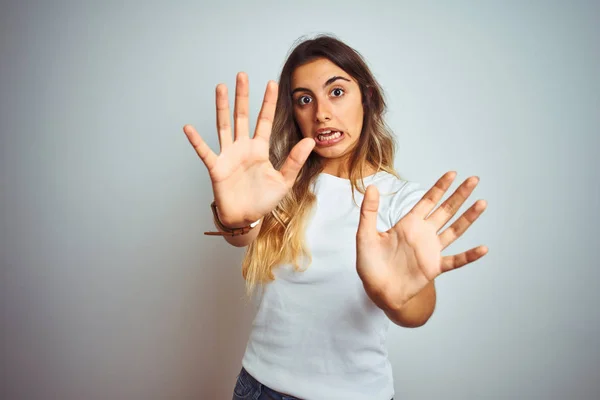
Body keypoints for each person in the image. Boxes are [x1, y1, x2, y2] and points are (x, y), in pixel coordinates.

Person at [183, 34, 488, 400]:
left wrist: (394, 298)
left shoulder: (400, 200)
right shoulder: (279, 182)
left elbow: (418, 310)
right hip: (258, 388)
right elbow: (243, 233)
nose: (321, 113)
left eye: (337, 92)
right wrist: (235, 218)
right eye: (305, 99)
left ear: (368, 97)